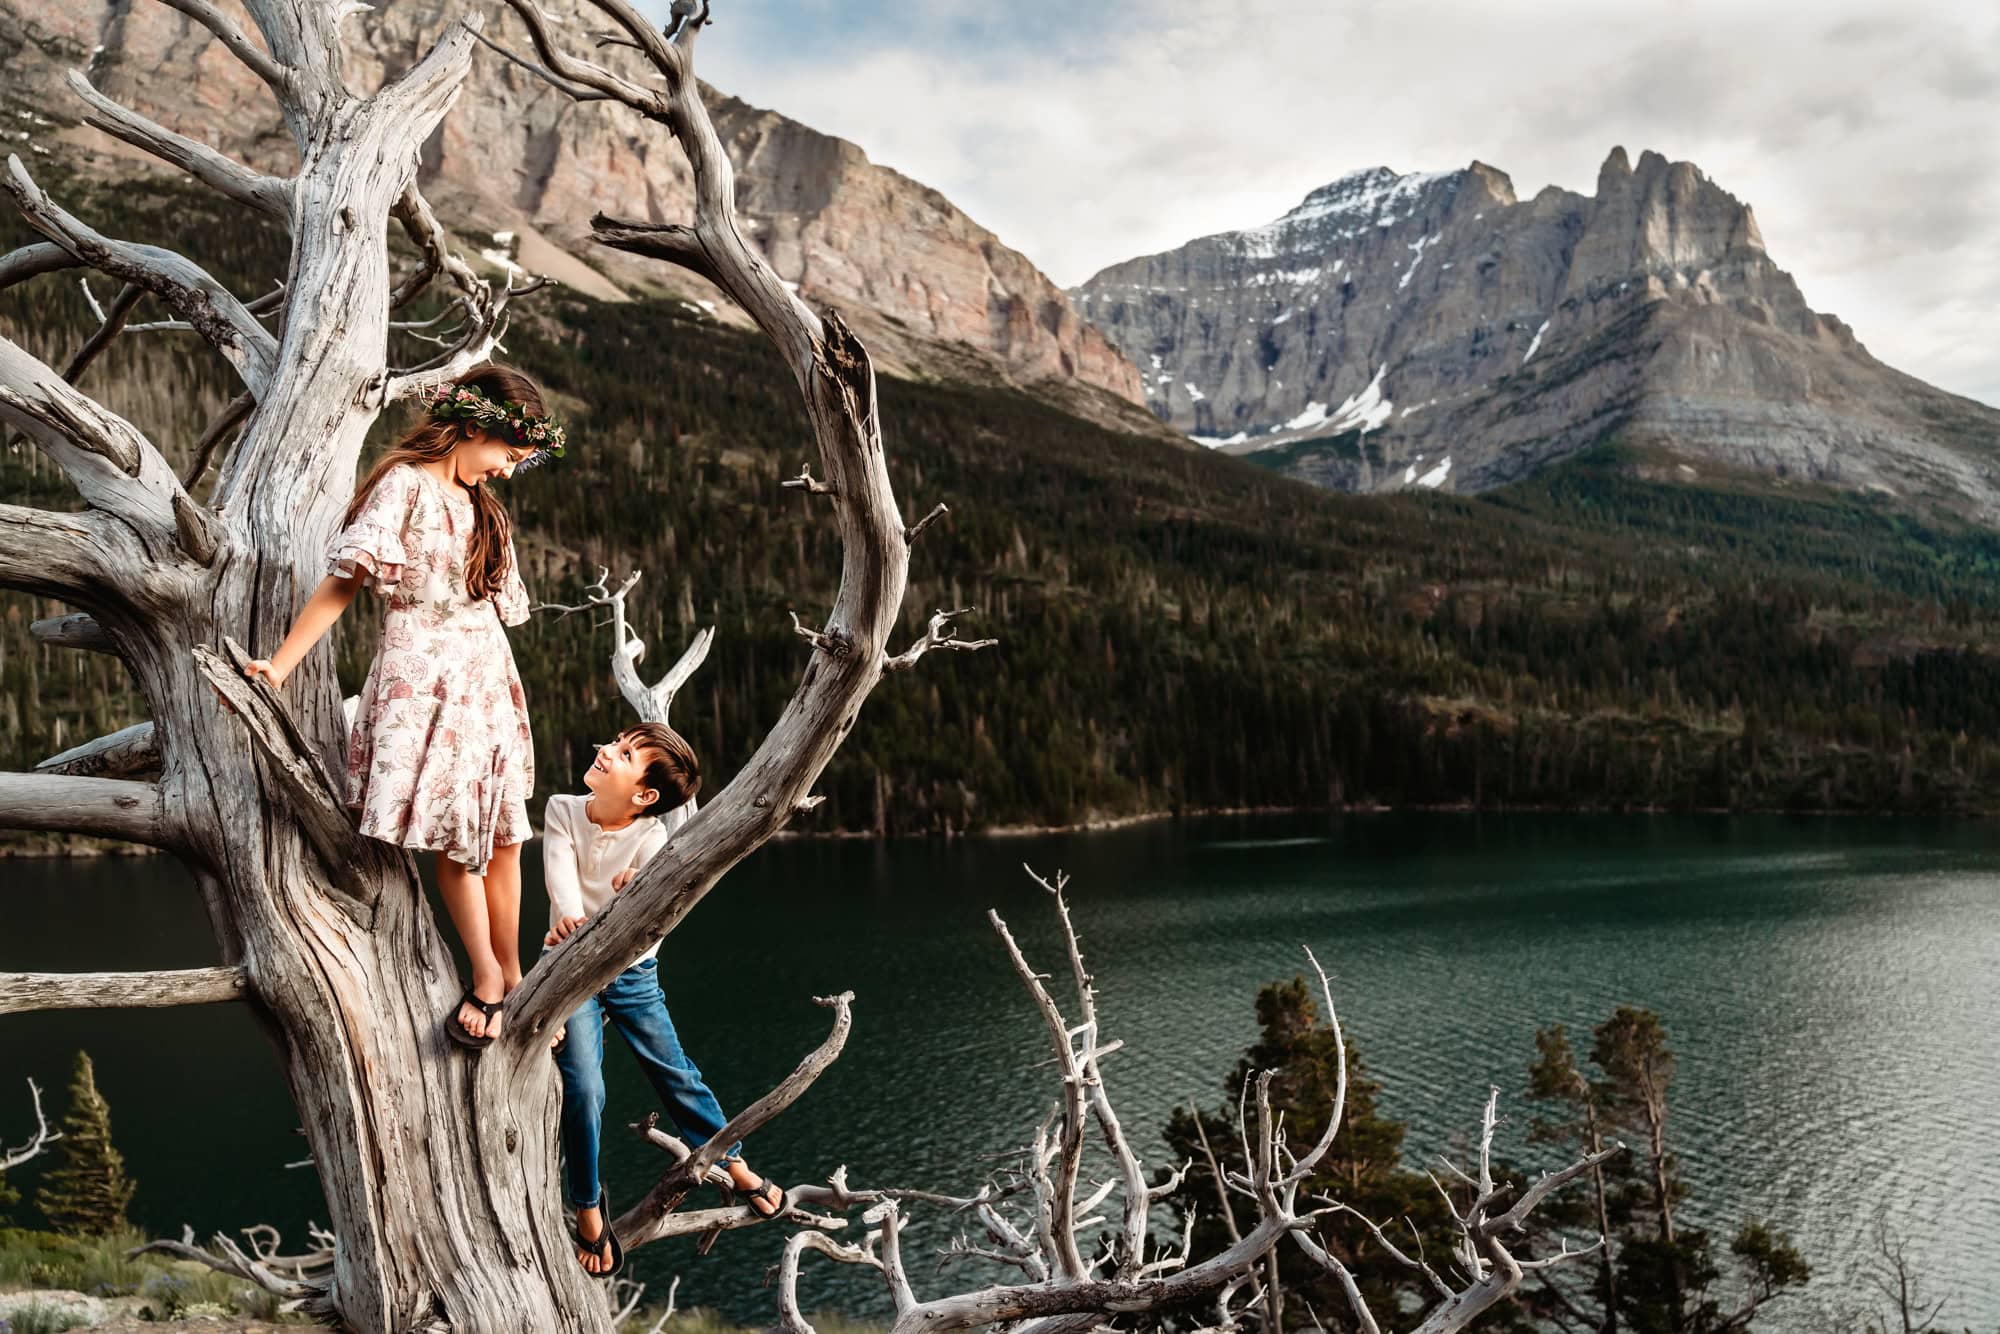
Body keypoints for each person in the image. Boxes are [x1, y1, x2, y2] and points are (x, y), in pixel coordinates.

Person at [244, 364, 565, 1047]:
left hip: (484, 678)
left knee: (505, 836)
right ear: (474, 429)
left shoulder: (487, 510)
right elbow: (343, 585)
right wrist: (279, 664)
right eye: (506, 456)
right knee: (456, 836)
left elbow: (497, 609)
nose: (508, 472)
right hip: (423, 679)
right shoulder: (405, 486)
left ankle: (513, 977)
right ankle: (483, 975)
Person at [542, 724, 787, 1278]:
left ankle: (735, 1162)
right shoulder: (562, 809)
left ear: (644, 796)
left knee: (675, 1072)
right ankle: (586, 1205)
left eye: (624, 754)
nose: (604, 750)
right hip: (566, 968)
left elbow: (653, 887)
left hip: (633, 973)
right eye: (614, 742)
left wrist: (639, 881)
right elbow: (560, 880)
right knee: (583, 1087)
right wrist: (564, 919)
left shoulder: (653, 837)